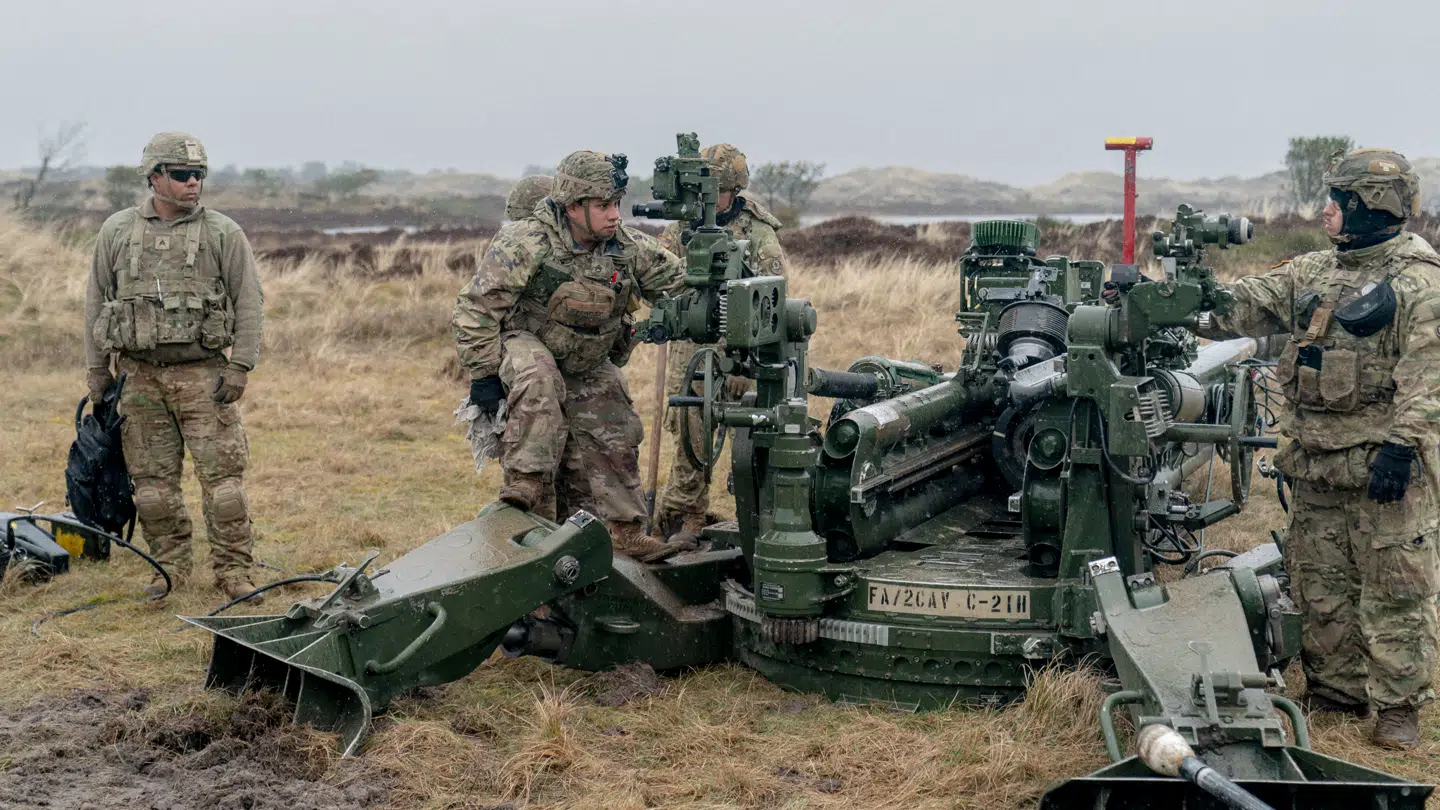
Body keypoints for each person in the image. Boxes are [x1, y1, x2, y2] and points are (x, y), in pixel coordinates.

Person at [1195, 148, 1440, 749]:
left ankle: (1397, 707)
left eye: (1339, 200)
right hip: (1317, 464)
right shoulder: (1313, 272)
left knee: (1394, 586)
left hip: (1386, 467)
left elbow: (1428, 373)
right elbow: (1240, 307)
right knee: (1321, 581)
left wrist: (1402, 448)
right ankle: (1334, 687)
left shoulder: (1418, 280)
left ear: (1369, 205)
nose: (1326, 209)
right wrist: (1182, 294)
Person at [451, 149, 694, 562]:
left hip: (587, 358)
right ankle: (527, 483)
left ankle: (624, 531)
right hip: (527, 342)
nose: (614, 214)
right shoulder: (525, 242)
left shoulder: (629, 248)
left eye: (616, 204)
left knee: (614, 412)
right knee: (539, 376)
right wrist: (483, 376)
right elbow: (476, 309)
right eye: (603, 206)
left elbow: (682, 283)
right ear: (572, 207)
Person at [83, 132, 265, 602]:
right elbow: (94, 302)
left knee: (224, 488)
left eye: (199, 175)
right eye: (183, 175)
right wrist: (97, 372)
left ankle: (234, 572)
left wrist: (241, 365)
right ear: (154, 177)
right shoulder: (117, 231)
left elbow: (249, 302)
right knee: (152, 491)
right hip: (138, 379)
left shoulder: (223, 232)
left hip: (204, 376)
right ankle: (168, 569)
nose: (193, 183)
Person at [654, 144, 788, 544]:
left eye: (717, 191)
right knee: (689, 426)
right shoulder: (681, 227)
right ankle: (684, 514)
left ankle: (764, 514)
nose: (708, 200)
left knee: (753, 433)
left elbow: (771, 300)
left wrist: (741, 361)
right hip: (690, 346)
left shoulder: (758, 233)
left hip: (745, 350)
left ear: (734, 190)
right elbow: (659, 275)